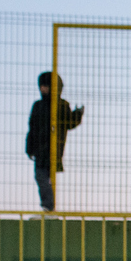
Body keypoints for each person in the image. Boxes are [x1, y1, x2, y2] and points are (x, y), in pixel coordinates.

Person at [25, 70, 83, 212]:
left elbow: (69, 123)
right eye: (41, 85)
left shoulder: (62, 105)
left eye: (46, 85)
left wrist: (77, 115)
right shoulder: (38, 105)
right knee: (41, 176)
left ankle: (48, 206)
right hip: (40, 149)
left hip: (54, 147)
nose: (42, 88)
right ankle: (48, 206)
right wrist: (30, 147)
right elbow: (32, 127)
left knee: (43, 176)